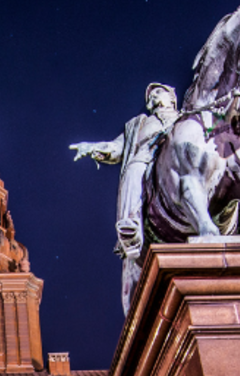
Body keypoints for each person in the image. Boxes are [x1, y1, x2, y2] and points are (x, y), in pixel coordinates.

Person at [71, 83, 180, 312]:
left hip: (183, 164)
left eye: (160, 92)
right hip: (147, 160)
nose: (155, 97)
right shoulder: (138, 124)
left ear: (172, 98)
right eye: (152, 95)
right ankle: (131, 222)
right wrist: (92, 147)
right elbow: (116, 147)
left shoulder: (187, 117)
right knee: (133, 169)